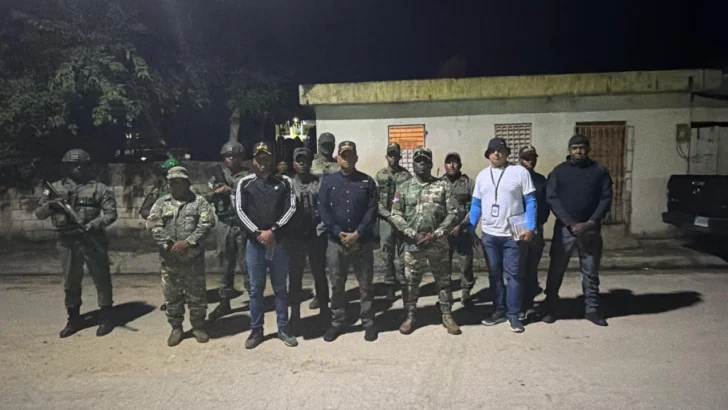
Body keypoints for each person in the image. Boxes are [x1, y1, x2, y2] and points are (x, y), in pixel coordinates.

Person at [34, 149, 118, 338]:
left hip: (92, 238)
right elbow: (39, 214)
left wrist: (94, 224)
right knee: (71, 281)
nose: (78, 167)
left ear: (89, 166)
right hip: (67, 240)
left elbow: (111, 214)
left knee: (101, 278)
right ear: (66, 166)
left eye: (82, 164)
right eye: (73, 164)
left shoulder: (99, 188)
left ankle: (106, 316)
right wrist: (51, 205)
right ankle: (74, 318)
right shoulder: (52, 188)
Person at [389, 147, 461, 335]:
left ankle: (447, 314)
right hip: (413, 245)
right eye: (418, 161)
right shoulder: (403, 188)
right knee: (410, 283)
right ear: (413, 164)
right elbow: (395, 214)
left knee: (443, 281)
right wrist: (413, 234)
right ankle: (410, 315)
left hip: (438, 244)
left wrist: (436, 234)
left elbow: (453, 213)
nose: (422, 164)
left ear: (431, 164)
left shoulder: (443, 186)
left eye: (425, 161)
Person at [542, 135, 613, 327]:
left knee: (590, 271)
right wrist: (570, 222)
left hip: (590, 230)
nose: (578, 151)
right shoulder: (559, 171)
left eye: (581, 147)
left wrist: (591, 222)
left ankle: (592, 310)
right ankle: (550, 308)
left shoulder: (599, 171)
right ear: (569, 150)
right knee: (556, 270)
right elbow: (552, 197)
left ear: (588, 149)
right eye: (574, 148)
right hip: (565, 229)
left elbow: (606, 198)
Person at [235, 141, 298, 349]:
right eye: (258, 157)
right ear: (253, 160)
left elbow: (291, 208)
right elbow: (240, 211)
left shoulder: (285, 181)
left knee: (280, 288)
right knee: (255, 290)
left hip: (278, 243)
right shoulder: (244, 183)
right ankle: (256, 331)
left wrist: (273, 231)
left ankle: (283, 329)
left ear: (272, 159)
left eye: (266, 157)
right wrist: (257, 234)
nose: (262, 161)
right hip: (255, 245)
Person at [470, 138, 537, 333]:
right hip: (490, 235)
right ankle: (498, 310)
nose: (496, 153)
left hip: (513, 234)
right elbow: (476, 204)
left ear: (507, 153)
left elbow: (531, 201)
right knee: (494, 274)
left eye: (500, 150)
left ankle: (513, 314)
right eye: (493, 150)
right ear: (488, 154)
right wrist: (471, 227)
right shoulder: (482, 175)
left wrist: (531, 227)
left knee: (514, 275)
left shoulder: (520, 172)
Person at [146, 167, 216, 346]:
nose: (175, 185)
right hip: (170, 259)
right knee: (172, 295)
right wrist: (170, 245)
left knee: (196, 295)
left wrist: (188, 242)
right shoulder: (161, 203)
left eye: (179, 182)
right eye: (172, 182)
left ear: (187, 183)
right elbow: (153, 225)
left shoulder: (199, 202)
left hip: (193, 258)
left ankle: (198, 326)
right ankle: (176, 327)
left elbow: (207, 223)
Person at [318, 141, 379, 342]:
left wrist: (358, 233)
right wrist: (338, 232)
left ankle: (368, 322)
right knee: (337, 284)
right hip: (336, 242)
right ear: (337, 158)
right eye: (343, 155)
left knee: (365, 284)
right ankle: (337, 321)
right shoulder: (328, 182)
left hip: (362, 241)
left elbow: (372, 210)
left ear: (356, 158)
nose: (347, 159)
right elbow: (323, 209)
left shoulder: (367, 182)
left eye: (351, 155)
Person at [287, 147, 330, 331]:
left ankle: (325, 310)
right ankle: (295, 314)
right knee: (295, 276)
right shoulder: (288, 184)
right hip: (296, 237)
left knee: (319, 273)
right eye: (298, 160)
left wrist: (322, 228)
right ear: (293, 163)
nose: (302, 163)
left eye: (305, 160)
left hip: (315, 234)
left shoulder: (319, 183)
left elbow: (326, 207)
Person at [207, 141, 250, 321]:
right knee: (225, 264)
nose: (231, 159)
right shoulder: (217, 175)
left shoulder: (248, 176)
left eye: (235, 155)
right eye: (228, 156)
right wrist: (217, 192)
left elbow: (251, 195)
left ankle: (254, 299)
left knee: (247, 264)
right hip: (224, 222)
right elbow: (208, 196)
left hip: (243, 222)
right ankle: (224, 301)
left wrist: (230, 190)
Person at [375, 142, 412, 302]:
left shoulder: (406, 176)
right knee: (387, 253)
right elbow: (375, 199)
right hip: (385, 219)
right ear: (386, 156)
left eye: (396, 155)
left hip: (402, 220)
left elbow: (410, 198)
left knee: (404, 254)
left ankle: (404, 284)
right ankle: (390, 284)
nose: (393, 158)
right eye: (390, 155)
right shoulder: (380, 175)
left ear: (400, 157)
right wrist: (387, 215)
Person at [517, 145, 550, 320]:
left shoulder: (540, 180)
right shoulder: (513, 177)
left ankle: (528, 305)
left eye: (532, 158)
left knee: (531, 269)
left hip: (536, 230)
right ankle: (517, 306)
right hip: (517, 230)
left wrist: (538, 223)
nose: (529, 161)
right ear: (519, 159)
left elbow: (545, 204)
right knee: (518, 269)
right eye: (526, 158)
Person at [441, 152, 476, 306]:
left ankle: (466, 291)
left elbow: (475, 206)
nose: (452, 165)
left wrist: (462, 225)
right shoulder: (439, 183)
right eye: (449, 162)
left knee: (466, 264)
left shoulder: (468, 183)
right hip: (444, 233)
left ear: (460, 165)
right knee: (444, 265)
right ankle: (446, 294)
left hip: (463, 230)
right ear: (444, 165)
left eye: (455, 162)